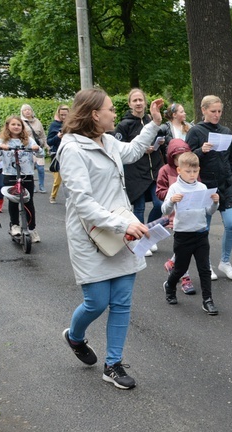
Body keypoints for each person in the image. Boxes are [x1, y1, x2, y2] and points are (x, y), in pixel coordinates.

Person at [58, 87, 164, 390]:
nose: (114, 113)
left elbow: (131, 151)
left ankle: (113, 364)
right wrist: (122, 225)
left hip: (121, 228)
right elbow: (83, 203)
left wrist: (154, 123)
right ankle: (74, 337)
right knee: (96, 302)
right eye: (110, 109)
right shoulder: (72, 149)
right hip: (91, 235)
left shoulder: (109, 141)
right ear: (94, 114)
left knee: (122, 301)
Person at [186, 95, 232, 281]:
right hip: (205, 186)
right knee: (203, 228)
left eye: (219, 111)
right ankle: (206, 265)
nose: (217, 115)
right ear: (203, 110)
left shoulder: (226, 131)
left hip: (226, 185)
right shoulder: (195, 132)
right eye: (213, 111)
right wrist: (200, 151)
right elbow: (184, 160)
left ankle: (225, 262)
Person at [161, 151, 220, 315]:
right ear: (179, 170)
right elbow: (164, 209)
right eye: (188, 171)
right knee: (180, 269)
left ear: (199, 170)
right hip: (183, 234)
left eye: (195, 171)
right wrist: (172, 201)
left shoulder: (202, 187)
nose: (192, 175)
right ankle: (170, 285)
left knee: (205, 269)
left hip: (201, 233)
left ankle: (208, 300)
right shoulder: (175, 188)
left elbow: (209, 211)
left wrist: (215, 202)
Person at [115, 88, 167, 257]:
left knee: (160, 204)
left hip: (154, 170)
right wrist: (139, 149)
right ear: (130, 104)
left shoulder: (152, 120)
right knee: (139, 207)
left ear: (145, 102)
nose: (138, 103)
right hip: (135, 172)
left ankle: (147, 234)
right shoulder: (124, 125)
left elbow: (161, 139)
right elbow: (120, 149)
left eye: (140, 100)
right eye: (134, 100)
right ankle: (139, 240)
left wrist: (160, 144)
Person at [0, 115, 41, 242]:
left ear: (22, 127)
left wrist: (37, 148)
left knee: (28, 201)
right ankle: (15, 225)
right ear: (8, 126)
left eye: (18, 125)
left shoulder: (28, 140)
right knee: (13, 200)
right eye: (13, 124)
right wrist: (0, 147)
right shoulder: (2, 140)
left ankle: (32, 229)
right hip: (10, 174)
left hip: (26, 174)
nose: (16, 127)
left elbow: (41, 153)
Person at [157, 138, 197, 295]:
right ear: (171, 157)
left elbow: (197, 186)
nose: (180, 161)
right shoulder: (165, 171)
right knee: (183, 248)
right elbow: (159, 192)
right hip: (175, 215)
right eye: (177, 158)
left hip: (192, 215)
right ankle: (185, 278)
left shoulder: (190, 171)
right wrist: (173, 195)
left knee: (187, 247)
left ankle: (172, 262)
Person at [21, 104, 47, 194]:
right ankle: (33, 185)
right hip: (28, 149)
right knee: (30, 168)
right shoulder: (21, 122)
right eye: (25, 110)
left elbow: (43, 134)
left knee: (41, 168)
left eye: (29, 109)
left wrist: (45, 144)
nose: (27, 111)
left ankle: (41, 185)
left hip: (38, 147)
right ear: (22, 112)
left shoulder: (37, 121)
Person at [47, 104, 70, 204]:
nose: (64, 117)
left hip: (70, 155)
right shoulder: (54, 125)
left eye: (66, 115)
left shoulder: (73, 124)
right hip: (58, 154)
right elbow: (49, 141)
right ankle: (53, 196)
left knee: (68, 180)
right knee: (57, 180)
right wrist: (58, 137)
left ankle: (69, 200)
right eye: (62, 115)